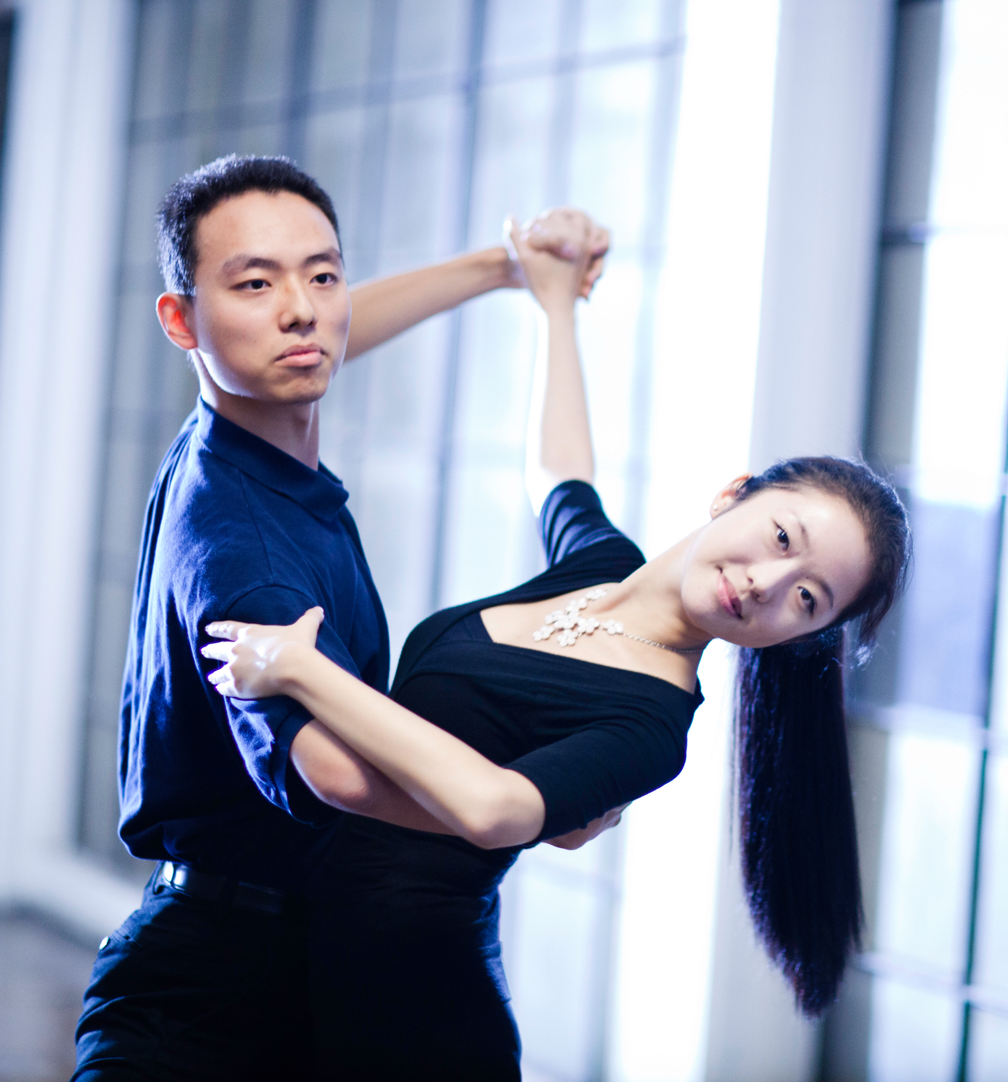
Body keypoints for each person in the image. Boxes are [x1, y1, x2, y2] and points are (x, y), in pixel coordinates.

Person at [201, 216, 912, 1077]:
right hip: (292, 954)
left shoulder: (652, 724)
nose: (766, 581)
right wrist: (554, 301)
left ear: (802, 635)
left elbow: (497, 808)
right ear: (735, 494)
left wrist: (301, 671)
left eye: (807, 598)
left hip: (413, 1006)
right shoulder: (596, 567)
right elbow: (560, 468)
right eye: (781, 537)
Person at [73, 153, 610, 1082]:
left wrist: (507, 265)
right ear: (180, 320)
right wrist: (528, 800)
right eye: (254, 282)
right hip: (210, 995)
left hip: (323, 961)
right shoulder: (246, 546)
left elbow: (315, 332)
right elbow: (330, 772)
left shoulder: (241, 423)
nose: (301, 310)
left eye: (322, 275)